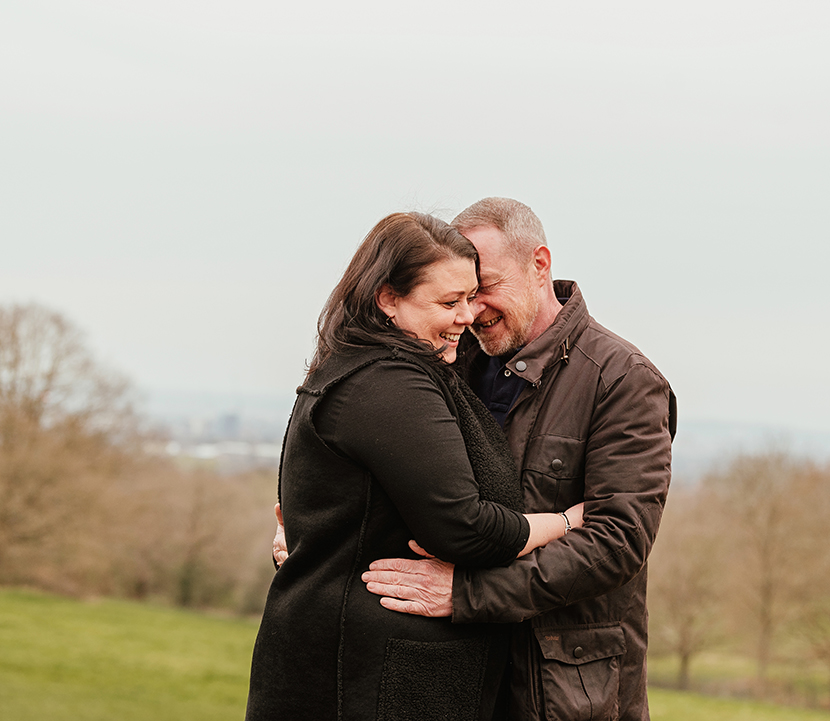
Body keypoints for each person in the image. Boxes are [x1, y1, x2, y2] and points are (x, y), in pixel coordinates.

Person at [246, 211, 583, 721]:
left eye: (470, 296)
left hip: (370, 663)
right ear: (388, 299)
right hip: (365, 678)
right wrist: (567, 521)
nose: (466, 316)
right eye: (448, 302)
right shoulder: (390, 384)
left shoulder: (374, 368)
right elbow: (466, 529)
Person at [357, 198, 677, 720]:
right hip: (447, 680)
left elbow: (618, 541)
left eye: (486, 287)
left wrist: (468, 593)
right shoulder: (446, 364)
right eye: (458, 294)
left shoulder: (623, 380)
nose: (471, 309)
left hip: (562, 695)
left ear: (540, 264)